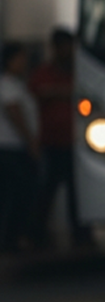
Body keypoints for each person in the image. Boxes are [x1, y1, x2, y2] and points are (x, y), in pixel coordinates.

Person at [28, 28, 92, 249]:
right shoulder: (45, 72)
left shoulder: (79, 71)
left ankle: (81, 234)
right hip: (51, 142)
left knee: (78, 191)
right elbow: (39, 92)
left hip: (76, 142)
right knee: (46, 189)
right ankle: (36, 233)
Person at [1, 43, 41, 253]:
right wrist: (30, 140)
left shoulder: (18, 84)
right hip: (10, 148)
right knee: (17, 193)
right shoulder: (7, 84)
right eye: (21, 58)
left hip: (15, 147)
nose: (24, 63)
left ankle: (13, 237)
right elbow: (14, 112)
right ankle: (10, 239)